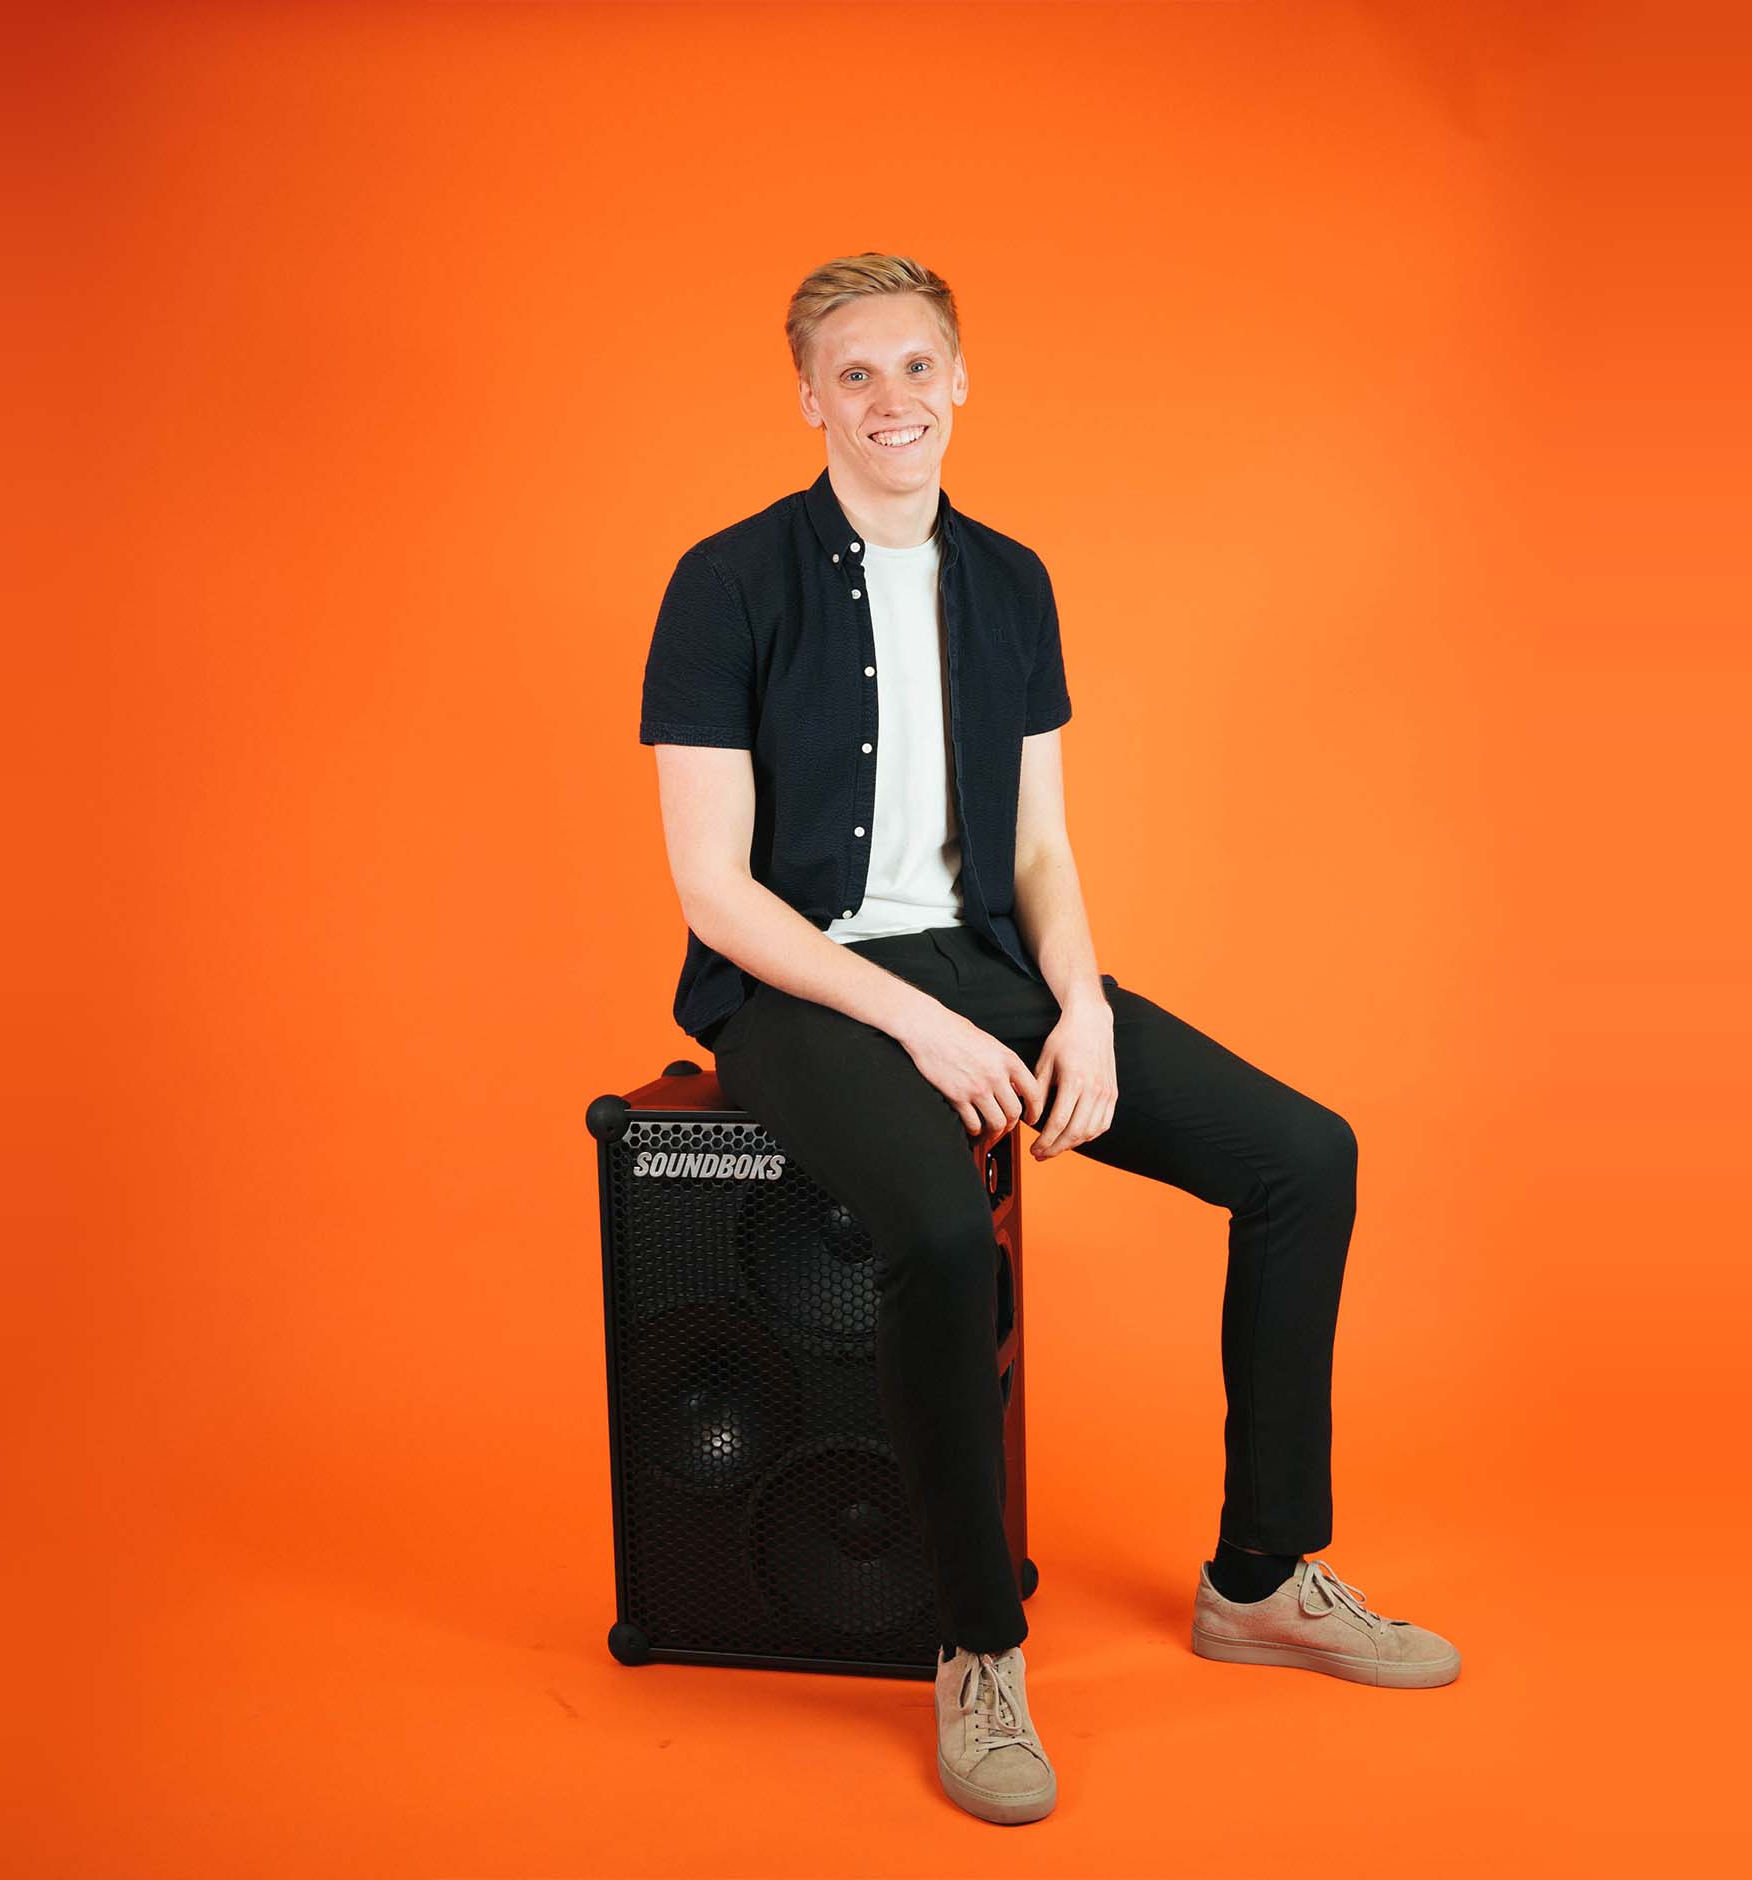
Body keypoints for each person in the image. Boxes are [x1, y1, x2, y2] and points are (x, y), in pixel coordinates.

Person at [638, 252, 1459, 1827]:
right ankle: (976, 1647)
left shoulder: (1013, 579)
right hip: (800, 991)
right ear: (809, 398)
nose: (893, 400)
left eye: (918, 366)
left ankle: (1266, 1576)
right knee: (944, 1234)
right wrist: (918, 1024)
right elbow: (712, 892)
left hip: (988, 963)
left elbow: (1039, 853)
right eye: (857, 373)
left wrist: (1077, 1003)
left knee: (1307, 1159)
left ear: (963, 382)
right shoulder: (725, 581)